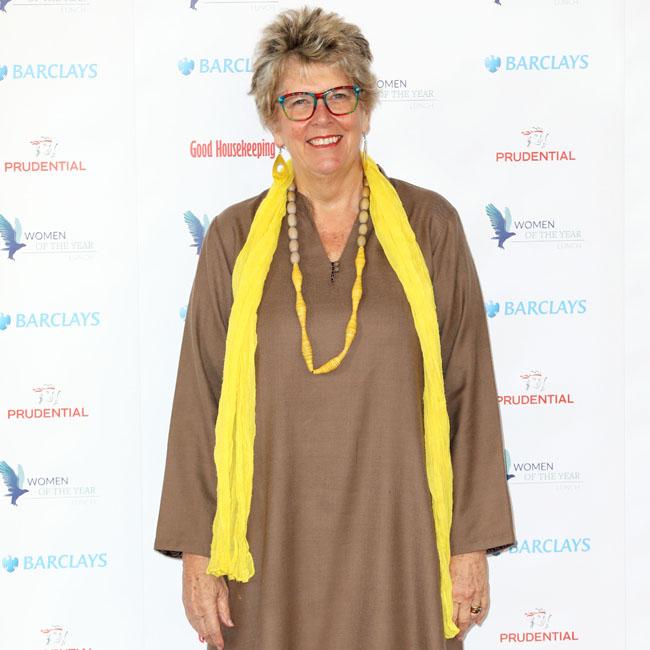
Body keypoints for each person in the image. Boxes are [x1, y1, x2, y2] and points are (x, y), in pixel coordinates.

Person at [154, 7, 515, 649]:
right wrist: (198, 554)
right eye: (298, 101)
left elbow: (469, 388)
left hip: (404, 542)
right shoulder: (234, 238)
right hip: (266, 548)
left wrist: (470, 546)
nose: (321, 118)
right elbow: (200, 402)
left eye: (338, 96)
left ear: (365, 108)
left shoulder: (430, 226)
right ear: (273, 121)